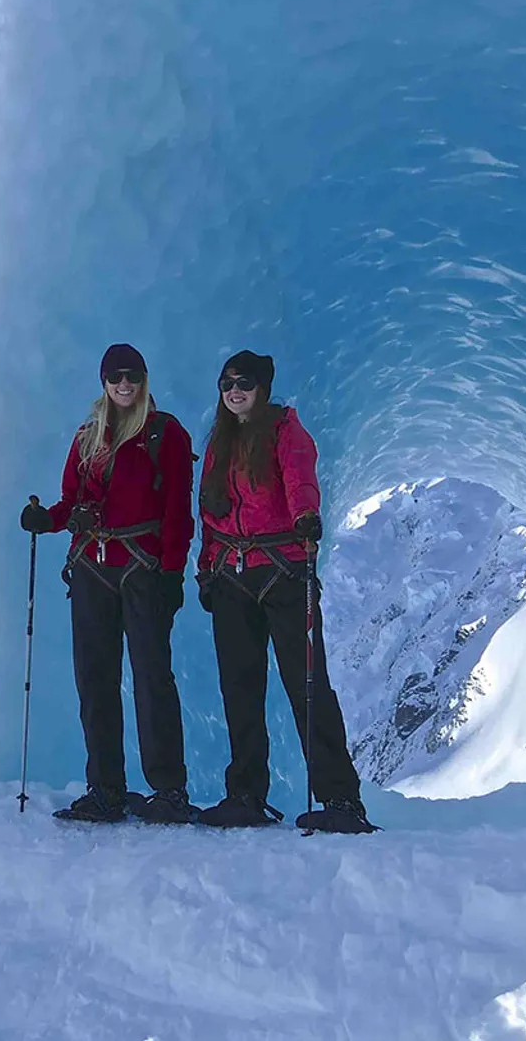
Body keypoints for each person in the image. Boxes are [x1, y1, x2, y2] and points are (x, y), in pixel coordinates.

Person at [192, 350, 375, 833]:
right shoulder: (219, 442)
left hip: (283, 572)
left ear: (263, 388)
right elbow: (209, 512)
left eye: (245, 383)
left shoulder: (285, 432)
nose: (235, 391)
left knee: (307, 683)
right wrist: (204, 569)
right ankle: (245, 795)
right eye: (228, 382)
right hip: (231, 573)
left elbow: (300, 481)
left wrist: (305, 518)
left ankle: (341, 799)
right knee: (241, 689)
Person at [20, 343, 196, 824]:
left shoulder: (165, 433)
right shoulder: (86, 438)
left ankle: (168, 790)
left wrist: (173, 574)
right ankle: (106, 789)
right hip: (93, 568)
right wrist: (47, 520)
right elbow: (71, 502)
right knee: (96, 679)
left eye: (133, 376)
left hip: (143, 569)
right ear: (104, 381)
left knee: (151, 679)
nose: (125, 384)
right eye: (116, 376)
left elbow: (179, 511)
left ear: (144, 380)